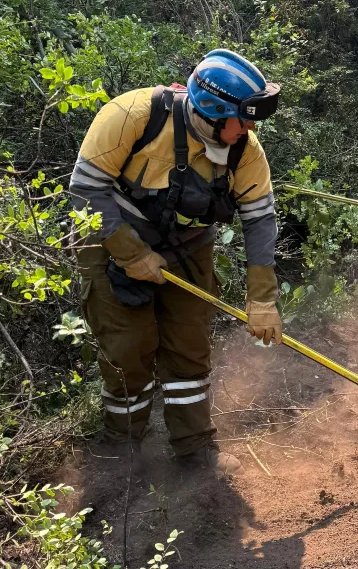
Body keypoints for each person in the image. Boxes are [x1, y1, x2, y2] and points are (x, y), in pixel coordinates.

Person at [70, 49, 282, 475]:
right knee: (128, 347)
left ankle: (194, 446)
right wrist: (132, 254)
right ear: (214, 109)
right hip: (112, 240)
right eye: (244, 117)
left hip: (187, 246)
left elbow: (259, 219)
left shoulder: (245, 149)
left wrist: (261, 299)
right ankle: (121, 446)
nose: (251, 127)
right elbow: (85, 189)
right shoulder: (132, 114)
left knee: (189, 346)